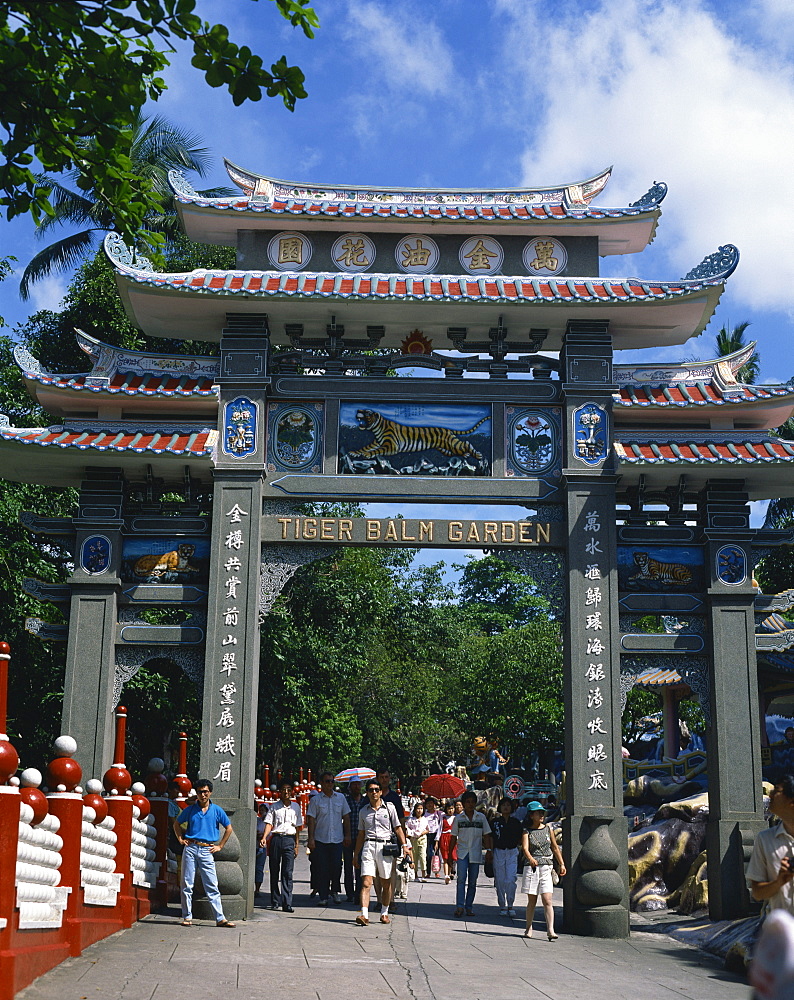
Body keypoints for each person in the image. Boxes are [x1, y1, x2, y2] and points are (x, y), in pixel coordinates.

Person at [172, 778, 236, 928]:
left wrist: (220, 846)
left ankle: (220, 918)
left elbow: (229, 828)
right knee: (187, 883)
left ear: (210, 792)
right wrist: (180, 838)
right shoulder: (191, 809)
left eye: (205, 792)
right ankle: (187, 916)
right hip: (191, 847)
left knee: (212, 884)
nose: (203, 795)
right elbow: (176, 823)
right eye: (200, 792)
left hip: (207, 849)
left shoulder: (216, 810)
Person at [353, 778, 410, 925]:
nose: (374, 793)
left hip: (385, 848)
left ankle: (384, 912)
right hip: (368, 846)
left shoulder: (389, 808)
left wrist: (404, 845)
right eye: (371, 790)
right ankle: (364, 915)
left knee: (386, 883)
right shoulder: (363, 811)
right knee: (366, 882)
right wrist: (356, 853)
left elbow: (397, 827)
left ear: (380, 792)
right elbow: (361, 834)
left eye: (376, 790)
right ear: (367, 793)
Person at [747, 774, 794, 913]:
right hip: (779, 930)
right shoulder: (765, 839)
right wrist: (779, 882)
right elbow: (757, 893)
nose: (770, 794)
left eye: (777, 790)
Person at [521, 800, 565, 940]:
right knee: (532, 900)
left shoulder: (548, 829)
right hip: (532, 867)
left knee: (547, 899)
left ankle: (550, 930)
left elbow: (555, 847)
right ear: (531, 815)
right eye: (538, 813)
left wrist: (561, 864)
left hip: (546, 866)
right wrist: (530, 858)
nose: (541, 815)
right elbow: (525, 848)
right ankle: (528, 927)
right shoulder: (527, 831)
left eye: (542, 812)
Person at [306, 771, 351, 906]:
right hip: (321, 839)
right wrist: (311, 839)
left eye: (332, 781)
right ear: (321, 783)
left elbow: (346, 817)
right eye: (327, 781)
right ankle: (323, 895)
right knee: (322, 868)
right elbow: (311, 820)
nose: (330, 784)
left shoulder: (341, 798)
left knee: (337, 867)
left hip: (337, 839)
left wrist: (347, 835)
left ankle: (335, 891)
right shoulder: (316, 800)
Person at [448, 790, 492, 917]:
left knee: (473, 882)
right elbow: (453, 837)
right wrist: (450, 855)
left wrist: (489, 851)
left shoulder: (481, 818)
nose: (470, 804)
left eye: (472, 802)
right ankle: (459, 907)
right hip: (462, 853)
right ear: (463, 804)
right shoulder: (458, 819)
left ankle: (469, 906)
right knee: (461, 880)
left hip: (476, 853)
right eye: (468, 802)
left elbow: (487, 835)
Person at [262, 779, 303, 912]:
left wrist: (296, 845)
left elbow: (297, 827)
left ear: (292, 792)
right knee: (274, 870)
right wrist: (264, 837)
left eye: (289, 790)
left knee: (287, 872)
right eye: (284, 790)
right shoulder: (274, 806)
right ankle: (274, 900)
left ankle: (287, 903)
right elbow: (269, 823)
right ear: (280, 792)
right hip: (276, 839)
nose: (286, 792)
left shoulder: (296, 807)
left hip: (289, 840)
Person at [376, 768, 406, 911]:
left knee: (391, 869)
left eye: (386, 777)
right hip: (374, 839)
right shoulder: (371, 795)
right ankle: (379, 899)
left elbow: (400, 820)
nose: (384, 779)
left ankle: (391, 899)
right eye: (381, 777)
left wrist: (403, 840)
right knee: (376, 871)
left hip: (391, 839)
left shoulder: (394, 797)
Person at [491, 796, 522, 916]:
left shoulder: (516, 823)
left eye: (508, 805)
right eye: (503, 805)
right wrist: (490, 851)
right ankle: (502, 905)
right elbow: (490, 837)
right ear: (500, 807)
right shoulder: (495, 822)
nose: (506, 807)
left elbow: (520, 837)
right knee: (499, 879)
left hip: (512, 851)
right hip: (498, 851)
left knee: (511, 879)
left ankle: (510, 904)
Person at [344, 777, 366, 902]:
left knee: (359, 866)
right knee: (348, 866)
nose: (356, 787)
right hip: (348, 837)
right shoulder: (345, 801)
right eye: (354, 785)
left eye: (358, 784)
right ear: (350, 787)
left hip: (361, 839)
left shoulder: (365, 801)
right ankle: (349, 893)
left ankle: (359, 893)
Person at [406, 801, 429, 881]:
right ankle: (415, 875)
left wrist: (421, 833)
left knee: (422, 856)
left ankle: (423, 874)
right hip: (413, 839)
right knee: (414, 856)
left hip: (422, 839)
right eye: (418, 809)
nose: (419, 810)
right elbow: (407, 828)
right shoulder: (411, 819)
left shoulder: (424, 819)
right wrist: (412, 833)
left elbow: (427, 829)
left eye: (421, 809)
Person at [438, 800, 457, 884]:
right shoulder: (443, 817)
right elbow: (439, 828)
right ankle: (446, 875)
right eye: (449, 808)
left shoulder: (456, 818)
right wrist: (436, 840)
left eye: (452, 808)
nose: (450, 810)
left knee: (451, 857)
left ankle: (449, 874)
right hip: (444, 837)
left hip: (453, 838)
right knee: (445, 857)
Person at [424, 797, 442, 876]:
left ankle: (436, 871)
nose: (430, 805)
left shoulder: (438, 814)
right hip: (426, 835)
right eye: (428, 803)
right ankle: (428, 872)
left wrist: (437, 839)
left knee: (436, 854)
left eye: (431, 803)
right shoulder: (423, 814)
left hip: (435, 835)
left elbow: (440, 826)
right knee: (428, 854)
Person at [255, 801, 267, 896]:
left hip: (262, 847)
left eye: (263, 810)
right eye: (260, 810)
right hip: (254, 845)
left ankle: (258, 889)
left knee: (259, 868)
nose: (262, 812)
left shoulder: (268, 823)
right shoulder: (257, 820)